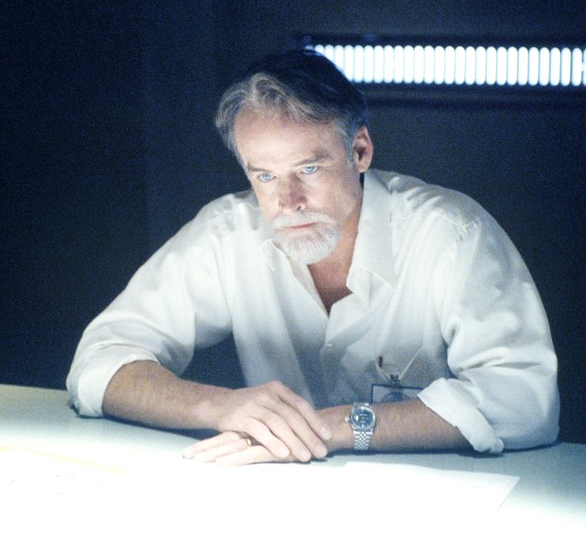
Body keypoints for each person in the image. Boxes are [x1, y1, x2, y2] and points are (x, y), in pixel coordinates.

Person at [66, 48, 559, 465]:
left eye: (308, 168)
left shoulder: (452, 233)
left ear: (360, 151)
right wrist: (219, 407)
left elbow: (525, 401)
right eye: (265, 176)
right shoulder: (227, 232)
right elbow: (99, 362)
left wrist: (333, 427)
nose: (289, 201)